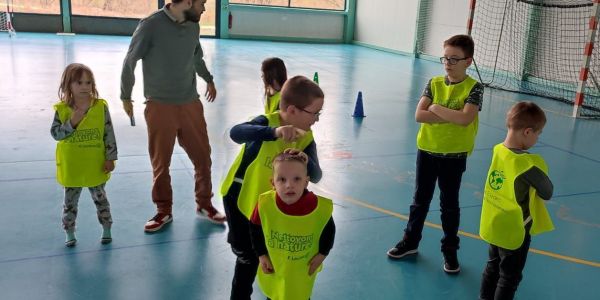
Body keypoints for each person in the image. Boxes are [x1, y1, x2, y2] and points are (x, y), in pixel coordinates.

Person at [120, 0, 225, 232]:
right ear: (187, 2)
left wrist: (208, 79)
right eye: (202, 3)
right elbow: (130, 60)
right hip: (160, 106)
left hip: (190, 103)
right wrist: (125, 96)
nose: (204, 9)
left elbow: (196, 57)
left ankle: (205, 204)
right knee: (161, 163)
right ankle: (163, 211)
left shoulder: (193, 25)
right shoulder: (150, 25)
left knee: (203, 157)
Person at [386, 34, 484, 274]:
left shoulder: (474, 88)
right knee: (420, 201)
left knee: (449, 205)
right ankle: (410, 242)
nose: (448, 63)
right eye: (445, 58)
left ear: (468, 61)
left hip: (454, 156)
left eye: (454, 59)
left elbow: (465, 119)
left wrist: (437, 108)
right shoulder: (434, 83)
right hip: (427, 152)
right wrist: (449, 114)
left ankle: (450, 251)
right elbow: (419, 115)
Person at [221, 76, 324, 299]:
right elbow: (236, 133)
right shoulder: (266, 123)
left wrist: (305, 158)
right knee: (248, 258)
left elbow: (316, 176)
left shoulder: (306, 138)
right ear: (293, 110)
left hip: (272, 210)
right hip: (240, 199)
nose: (317, 119)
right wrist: (274, 133)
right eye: (314, 113)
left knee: (274, 259)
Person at [479, 102, 554, 300]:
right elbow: (547, 192)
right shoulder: (527, 163)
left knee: (492, 266)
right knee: (509, 277)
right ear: (528, 132)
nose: (538, 138)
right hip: (514, 230)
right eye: (539, 133)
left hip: (494, 223)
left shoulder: (498, 150)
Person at [249, 149, 335, 300]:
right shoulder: (265, 204)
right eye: (282, 179)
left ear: (306, 181)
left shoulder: (319, 208)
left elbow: (328, 230)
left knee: (299, 294)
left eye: (296, 179)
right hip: (276, 267)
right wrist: (261, 255)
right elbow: (255, 229)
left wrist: (323, 253)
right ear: (272, 183)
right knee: (275, 294)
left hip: (302, 269)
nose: (289, 185)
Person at [51, 63, 117, 247]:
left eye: (88, 82)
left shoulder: (100, 107)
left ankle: (107, 228)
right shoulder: (62, 109)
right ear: (68, 85)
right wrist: (72, 122)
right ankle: (69, 232)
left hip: (94, 164)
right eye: (79, 83)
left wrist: (111, 157)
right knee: (70, 203)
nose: (85, 87)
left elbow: (108, 133)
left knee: (100, 198)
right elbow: (56, 134)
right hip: (72, 165)